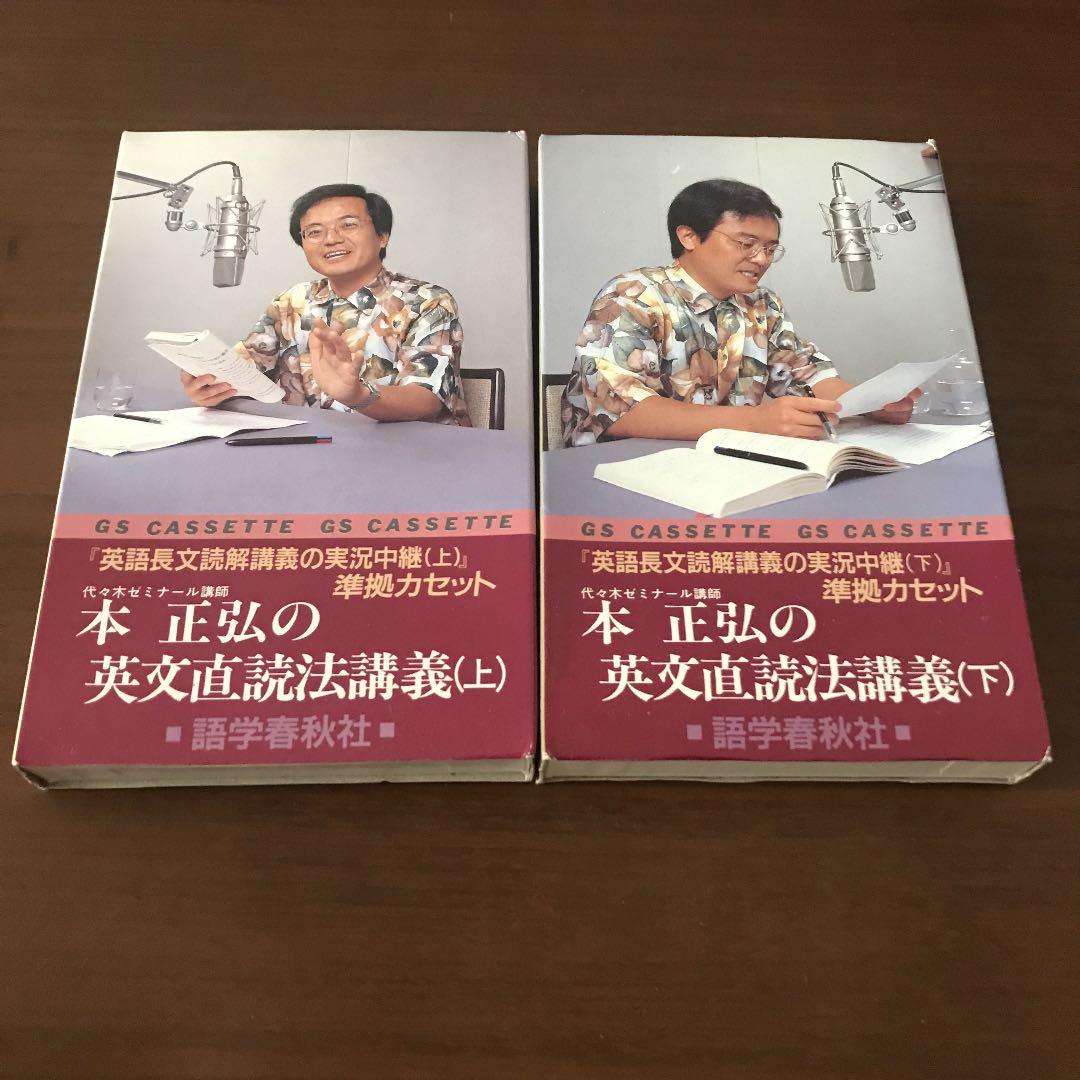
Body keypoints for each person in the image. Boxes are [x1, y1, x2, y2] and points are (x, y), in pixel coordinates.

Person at [561, 178, 918, 447]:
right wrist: (755, 421)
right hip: (624, 467)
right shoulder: (633, 294)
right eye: (746, 244)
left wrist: (869, 403)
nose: (761, 259)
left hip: (723, 463)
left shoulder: (762, 304)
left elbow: (807, 376)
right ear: (688, 236)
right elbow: (622, 411)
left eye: (770, 249)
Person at [183, 183, 471, 426]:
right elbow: (243, 370)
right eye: (314, 232)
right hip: (305, 451)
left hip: (409, 455)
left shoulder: (427, 301)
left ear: (382, 237)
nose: (331, 239)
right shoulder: (291, 301)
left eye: (348, 225)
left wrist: (358, 395)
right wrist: (209, 381)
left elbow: (426, 400)